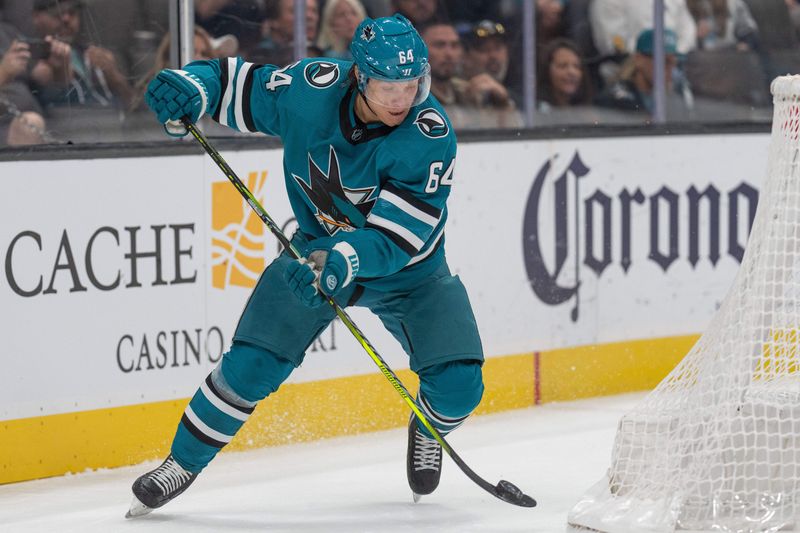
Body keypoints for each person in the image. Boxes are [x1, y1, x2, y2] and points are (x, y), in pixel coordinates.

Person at [126, 13, 485, 517]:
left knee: (460, 385)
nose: (403, 99)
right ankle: (180, 464)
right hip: (313, 257)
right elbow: (233, 83)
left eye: (413, 84)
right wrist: (192, 89)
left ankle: (429, 425)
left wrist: (342, 257)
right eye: (389, 86)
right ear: (359, 76)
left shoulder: (429, 135)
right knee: (250, 366)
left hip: (411, 274)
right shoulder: (309, 89)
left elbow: (395, 239)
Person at [30, 0, 133, 109]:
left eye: (72, 12)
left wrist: (114, 77)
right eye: (57, 12)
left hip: (115, 121)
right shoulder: (30, 60)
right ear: (36, 17)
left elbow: (135, 106)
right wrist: (59, 76)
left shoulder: (93, 54)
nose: (66, 19)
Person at [422, 21, 522, 129]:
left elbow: (512, 137)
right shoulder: (413, 96)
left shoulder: (468, 93)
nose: (449, 54)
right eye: (440, 45)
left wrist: (503, 104)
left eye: (454, 45)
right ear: (420, 50)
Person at [595, 28, 694, 116]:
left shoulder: (676, 98)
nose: (671, 69)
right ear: (639, 59)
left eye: (674, 62)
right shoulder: (614, 100)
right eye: (664, 61)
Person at [590, 0, 697, 57]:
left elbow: (688, 30)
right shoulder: (607, 2)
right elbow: (613, 42)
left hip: (673, 67)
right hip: (627, 74)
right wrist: (648, 54)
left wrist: (675, 52)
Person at [250, 0, 320, 65]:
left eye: (314, 11)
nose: (310, 16)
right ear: (274, 20)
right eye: (296, 11)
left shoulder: (323, 56)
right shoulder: (260, 59)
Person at [537, 38, 593, 109]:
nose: (572, 72)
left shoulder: (587, 113)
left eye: (577, 66)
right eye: (563, 66)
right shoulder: (536, 110)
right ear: (547, 71)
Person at [685, 0, 759, 51]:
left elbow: (749, 31)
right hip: (698, 60)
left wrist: (746, 44)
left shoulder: (733, 3)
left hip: (729, 58)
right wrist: (695, 34)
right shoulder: (683, 5)